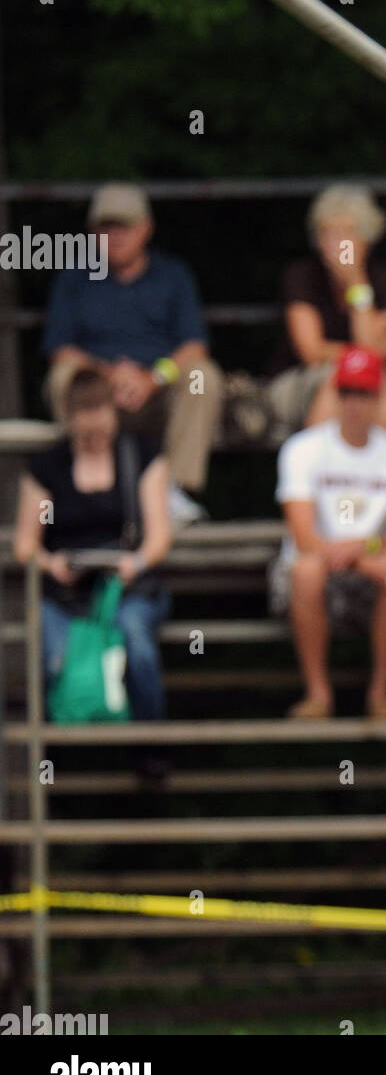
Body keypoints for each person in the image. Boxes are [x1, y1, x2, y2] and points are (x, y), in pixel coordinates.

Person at [42, 183, 222, 525]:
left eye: (123, 226)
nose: (115, 236)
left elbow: (194, 346)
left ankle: (174, 491)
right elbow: (60, 349)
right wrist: (108, 375)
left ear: (146, 228)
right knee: (63, 376)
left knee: (202, 375)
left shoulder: (173, 275)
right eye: (106, 227)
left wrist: (152, 379)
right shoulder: (73, 279)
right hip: (97, 388)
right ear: (93, 233)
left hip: (158, 389)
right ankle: (84, 490)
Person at [13, 368, 172, 723]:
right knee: (54, 659)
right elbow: (26, 543)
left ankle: (151, 749)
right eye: (85, 436)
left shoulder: (141, 456)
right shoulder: (47, 467)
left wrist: (136, 563)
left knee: (137, 645)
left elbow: (160, 536)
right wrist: (50, 564)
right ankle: (53, 762)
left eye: (100, 432)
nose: (94, 440)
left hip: (126, 588)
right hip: (65, 594)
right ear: (69, 421)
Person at [274, 346, 386, 719]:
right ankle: (318, 695)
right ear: (336, 394)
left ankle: (381, 696)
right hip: (317, 568)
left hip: (371, 566)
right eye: (348, 392)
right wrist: (365, 553)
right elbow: (304, 537)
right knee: (307, 570)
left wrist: (360, 550)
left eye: (365, 393)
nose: (355, 403)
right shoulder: (301, 449)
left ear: (379, 397)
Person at [267, 183, 386, 436]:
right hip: (298, 384)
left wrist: (356, 284)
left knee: (371, 375)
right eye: (329, 233)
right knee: (345, 374)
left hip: (365, 381)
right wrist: (381, 351)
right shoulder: (302, 276)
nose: (338, 244)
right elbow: (312, 352)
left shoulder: (384, 281)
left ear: (366, 238)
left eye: (348, 233)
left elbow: (367, 345)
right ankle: (317, 472)